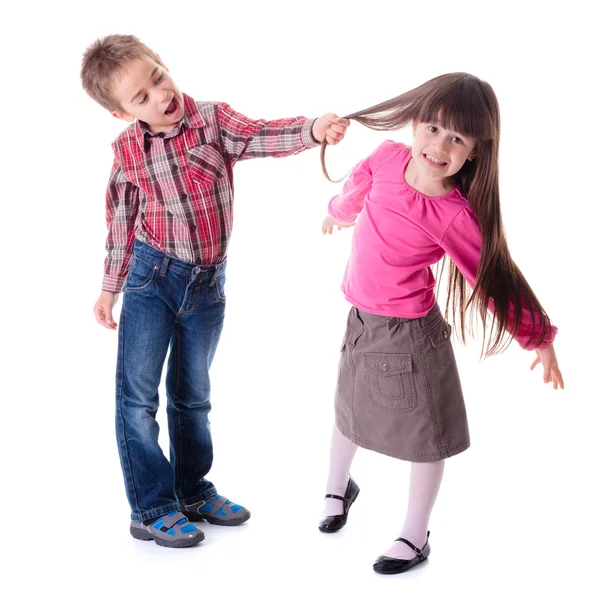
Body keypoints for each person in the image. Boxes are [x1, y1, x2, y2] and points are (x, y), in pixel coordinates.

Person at [80, 34, 349, 548]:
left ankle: (192, 491)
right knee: (137, 399)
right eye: (141, 97)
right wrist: (108, 289)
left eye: (158, 77)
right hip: (150, 280)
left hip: (206, 285)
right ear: (122, 113)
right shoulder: (128, 152)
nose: (160, 95)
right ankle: (151, 506)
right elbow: (121, 221)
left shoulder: (213, 121)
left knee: (193, 397)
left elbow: (264, 135)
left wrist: (313, 130)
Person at [317, 72, 564, 574]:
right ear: (415, 123)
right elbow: (355, 193)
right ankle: (337, 487)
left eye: (457, 139)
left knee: (427, 435)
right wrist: (337, 213)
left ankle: (415, 533)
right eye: (432, 128)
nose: (439, 145)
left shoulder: (453, 216)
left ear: (474, 152)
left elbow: (494, 279)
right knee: (347, 408)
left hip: (409, 338)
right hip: (362, 320)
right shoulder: (387, 159)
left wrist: (537, 337)